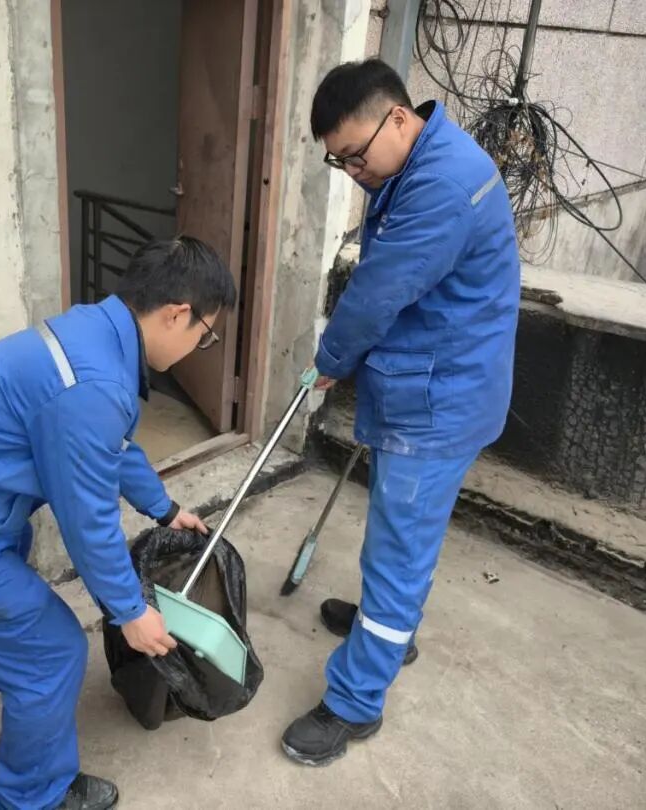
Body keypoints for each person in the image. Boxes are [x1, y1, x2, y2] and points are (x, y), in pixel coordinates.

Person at [0, 236, 236, 809]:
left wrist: (164, 508)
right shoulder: (94, 385)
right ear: (178, 314)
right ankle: (32, 796)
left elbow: (111, 445)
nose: (200, 346)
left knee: (14, 550)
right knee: (52, 652)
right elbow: (88, 519)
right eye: (205, 334)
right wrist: (130, 612)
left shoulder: (92, 334)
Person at [281, 58, 520, 766]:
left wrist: (330, 361)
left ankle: (355, 703)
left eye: (355, 156)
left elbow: (379, 290)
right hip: (434, 377)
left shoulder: (441, 185)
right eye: (340, 163)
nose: (353, 173)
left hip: (438, 401)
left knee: (397, 553)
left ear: (397, 117)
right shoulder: (422, 159)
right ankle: (388, 630)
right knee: (401, 539)